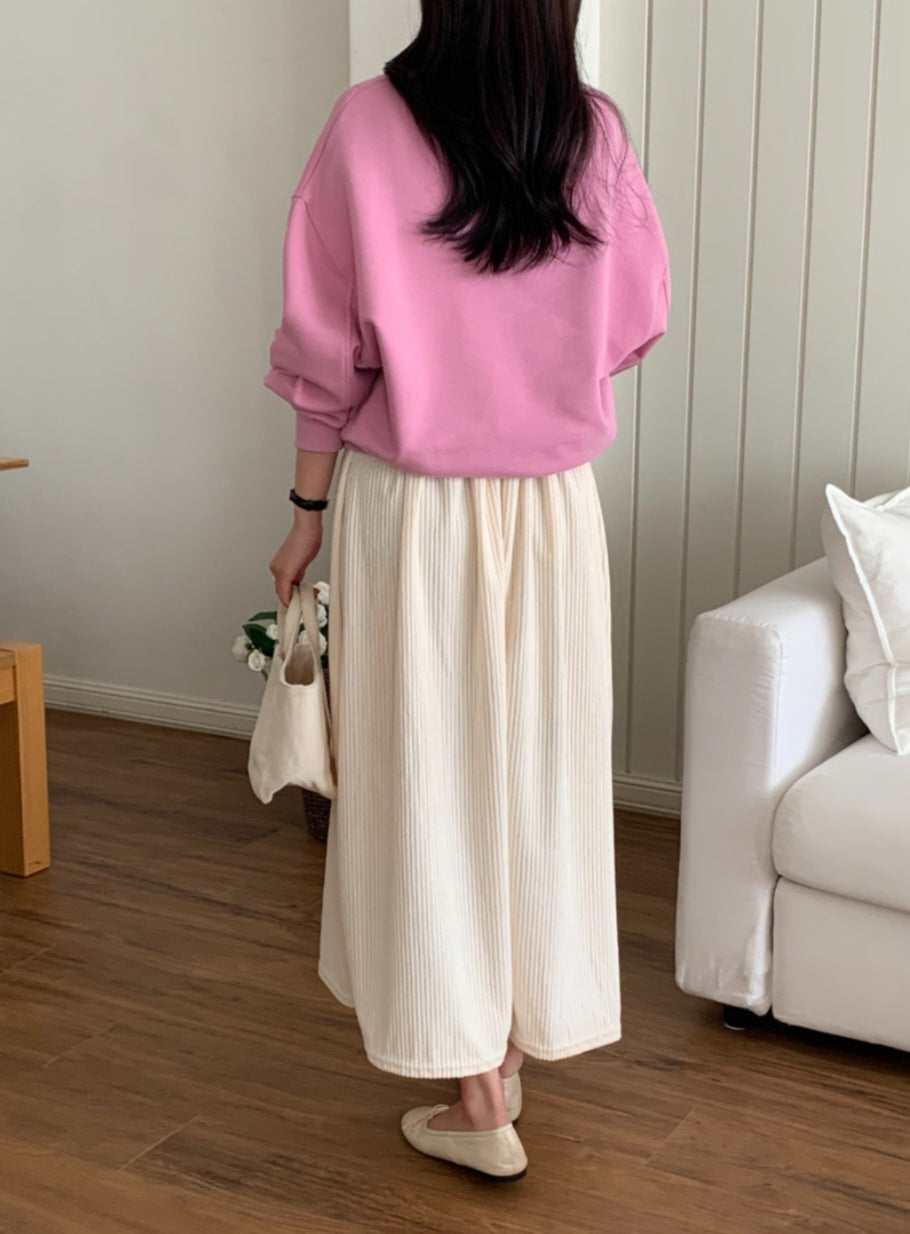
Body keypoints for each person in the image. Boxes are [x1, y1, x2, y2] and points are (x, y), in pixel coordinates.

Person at [264, 0, 669, 1183]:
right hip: (552, 512)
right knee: (538, 769)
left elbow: (324, 354)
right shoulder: (592, 132)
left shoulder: (363, 125)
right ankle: (511, 1037)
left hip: (412, 511)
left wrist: (303, 514)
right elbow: (633, 321)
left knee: (426, 773)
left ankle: (477, 1084)